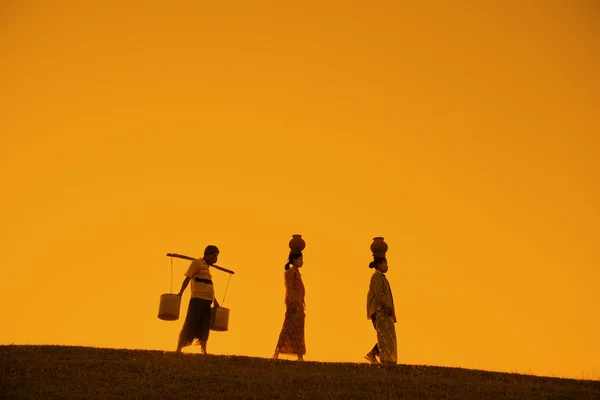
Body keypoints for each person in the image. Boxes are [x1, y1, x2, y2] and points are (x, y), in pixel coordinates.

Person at [175, 245, 221, 354]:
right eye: (214, 256)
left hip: (208, 301)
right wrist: (180, 293)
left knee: (205, 326)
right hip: (197, 299)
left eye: (216, 257)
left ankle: (203, 351)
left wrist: (215, 301)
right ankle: (178, 349)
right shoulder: (197, 263)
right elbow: (187, 278)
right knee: (190, 323)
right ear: (207, 254)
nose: (215, 259)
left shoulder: (208, 270)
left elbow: (209, 286)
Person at [273, 252, 306, 361]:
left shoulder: (297, 273)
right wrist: (293, 303)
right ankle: (277, 353)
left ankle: (299, 355)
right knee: (288, 328)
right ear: (295, 260)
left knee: (298, 330)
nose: (302, 261)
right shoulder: (291, 272)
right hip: (294, 304)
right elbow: (289, 288)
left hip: (299, 304)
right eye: (300, 259)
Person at [365, 257, 397, 364]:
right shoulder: (377, 277)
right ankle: (384, 359)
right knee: (385, 335)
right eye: (385, 264)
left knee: (387, 335)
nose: (387, 266)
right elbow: (379, 294)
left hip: (384, 311)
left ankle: (376, 354)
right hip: (381, 311)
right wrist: (386, 306)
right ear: (379, 265)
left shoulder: (381, 277)